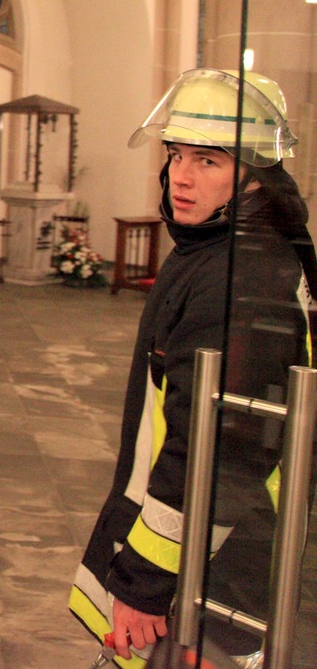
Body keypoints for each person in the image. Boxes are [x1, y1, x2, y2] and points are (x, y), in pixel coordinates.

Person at [69, 69, 315, 666]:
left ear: (255, 176)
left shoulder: (242, 276)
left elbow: (217, 449)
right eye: (177, 154)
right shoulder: (219, 249)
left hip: (218, 565)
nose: (181, 174)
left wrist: (145, 583)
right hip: (205, 554)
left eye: (208, 160)